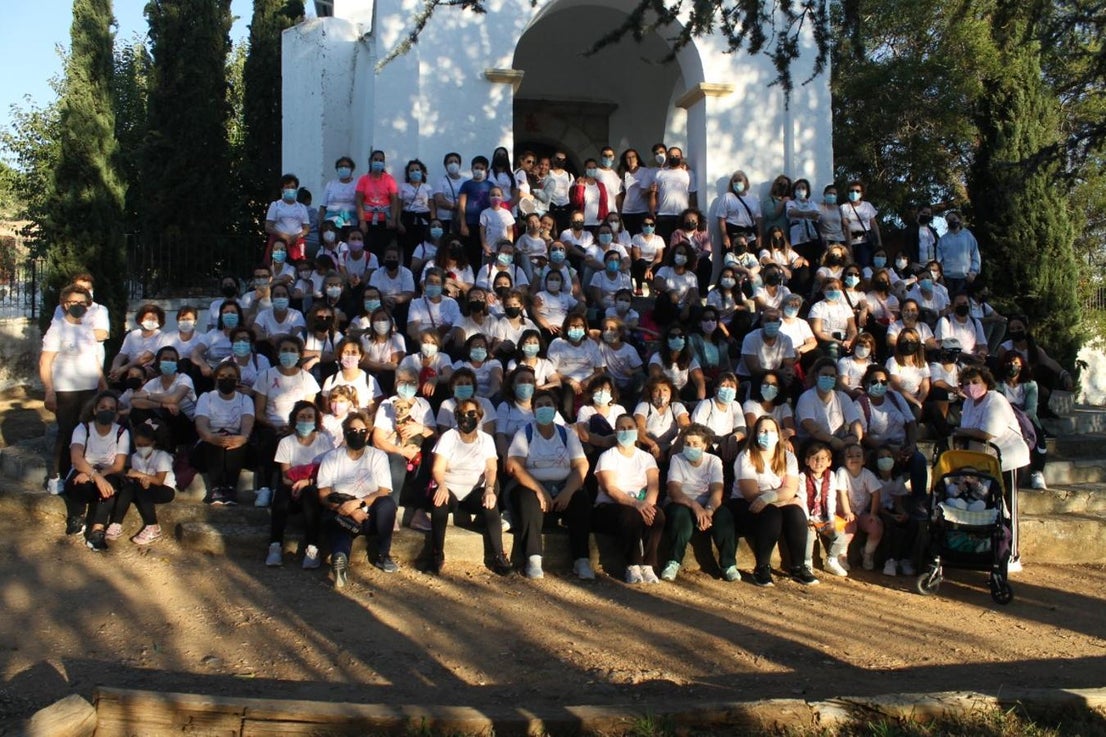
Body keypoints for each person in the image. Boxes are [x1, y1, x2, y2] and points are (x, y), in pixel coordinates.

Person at [505, 390, 593, 579]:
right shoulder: (525, 433)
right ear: (534, 410)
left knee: (581, 499)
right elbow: (514, 466)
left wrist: (569, 491)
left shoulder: (567, 434)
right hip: (533, 486)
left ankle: (581, 560)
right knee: (528, 498)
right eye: (539, 405)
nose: (544, 408)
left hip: (562, 487)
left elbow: (581, 465)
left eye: (548, 405)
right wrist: (539, 489)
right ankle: (534, 558)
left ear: (555, 409)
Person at [425, 398, 512, 575]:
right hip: (450, 488)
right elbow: (438, 468)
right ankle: (436, 553)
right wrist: (441, 485)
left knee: (490, 502)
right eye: (461, 414)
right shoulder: (448, 437)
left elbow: (491, 468)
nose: (466, 417)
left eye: (471, 414)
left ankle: (498, 556)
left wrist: (489, 489)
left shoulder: (486, 439)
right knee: (439, 501)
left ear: (479, 417)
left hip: (474, 490)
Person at [956, 366, 1032, 568]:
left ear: (986, 382)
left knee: (1008, 507)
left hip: (1010, 459)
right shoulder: (968, 403)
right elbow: (969, 434)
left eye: (975, 382)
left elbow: (987, 433)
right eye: (967, 383)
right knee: (992, 508)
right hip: (986, 462)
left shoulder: (995, 400)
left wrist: (961, 430)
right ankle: (995, 551)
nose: (971, 387)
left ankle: (1013, 555)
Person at [729, 416, 815, 586]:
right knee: (772, 513)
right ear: (755, 434)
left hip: (774, 502)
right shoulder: (746, 456)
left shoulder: (788, 457)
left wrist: (772, 497)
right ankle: (762, 567)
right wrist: (782, 499)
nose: (767, 434)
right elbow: (750, 493)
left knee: (796, 513)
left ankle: (798, 567)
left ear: (778, 434)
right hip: (744, 505)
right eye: (762, 431)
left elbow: (791, 488)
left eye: (771, 431)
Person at [318, 412, 399, 588]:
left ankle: (382, 555)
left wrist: (359, 503)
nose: (358, 434)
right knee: (339, 527)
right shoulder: (332, 457)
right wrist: (348, 509)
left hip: (369, 515)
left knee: (387, 504)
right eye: (353, 430)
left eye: (363, 431)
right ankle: (340, 560)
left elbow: (383, 490)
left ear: (368, 434)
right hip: (342, 512)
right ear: (345, 432)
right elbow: (324, 492)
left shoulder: (378, 456)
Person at [41, 285, 105, 492]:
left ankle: (76, 471)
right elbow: (45, 362)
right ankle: (55, 476)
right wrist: (49, 390)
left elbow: (94, 359)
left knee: (85, 431)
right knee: (67, 432)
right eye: (73, 302)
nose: (78, 306)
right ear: (64, 304)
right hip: (66, 390)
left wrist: (103, 384)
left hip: (90, 388)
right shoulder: (57, 328)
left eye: (83, 303)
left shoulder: (87, 328)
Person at [658, 424, 738, 582]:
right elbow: (674, 490)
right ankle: (673, 561)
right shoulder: (677, 459)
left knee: (724, 516)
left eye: (695, 444)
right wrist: (695, 507)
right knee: (680, 516)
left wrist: (708, 510)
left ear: (705, 445)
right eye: (687, 444)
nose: (691, 447)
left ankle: (728, 564)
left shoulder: (714, 461)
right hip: (682, 502)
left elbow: (717, 490)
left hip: (707, 504)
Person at [594, 414, 666, 584]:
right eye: (622, 428)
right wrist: (636, 504)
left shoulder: (646, 458)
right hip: (610, 506)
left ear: (637, 431)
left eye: (630, 428)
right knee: (630, 515)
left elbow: (653, 485)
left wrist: (647, 505)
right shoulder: (608, 456)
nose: (626, 431)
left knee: (658, 515)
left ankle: (648, 564)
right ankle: (632, 564)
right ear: (615, 431)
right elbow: (610, 488)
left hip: (640, 503)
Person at [252, 336, 321, 507]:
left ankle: (281, 488)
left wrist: (293, 428)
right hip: (271, 426)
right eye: (284, 350)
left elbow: (309, 410)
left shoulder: (307, 379)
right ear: (277, 353)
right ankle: (264, 488)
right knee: (267, 439)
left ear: (299, 354)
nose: (288, 354)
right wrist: (275, 426)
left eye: (292, 350)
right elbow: (259, 412)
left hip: (298, 428)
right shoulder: (266, 376)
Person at [267, 401, 332, 569]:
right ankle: (275, 546)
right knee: (281, 493)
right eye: (302, 416)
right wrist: (297, 485)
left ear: (316, 420)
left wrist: (307, 482)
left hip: (315, 489)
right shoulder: (286, 442)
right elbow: (285, 476)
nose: (305, 420)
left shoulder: (324, 441)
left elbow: (329, 474)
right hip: (291, 489)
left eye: (309, 417)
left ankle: (312, 548)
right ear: (295, 419)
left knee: (311, 492)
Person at [63, 391, 129, 551]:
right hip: (84, 469)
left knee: (109, 488)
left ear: (116, 413)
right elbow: (77, 459)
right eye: (103, 407)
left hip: (107, 471)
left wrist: (98, 477)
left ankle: (97, 531)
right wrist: (92, 474)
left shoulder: (122, 433)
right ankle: (77, 516)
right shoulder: (83, 429)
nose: (107, 411)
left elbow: (118, 465)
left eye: (112, 409)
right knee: (77, 481)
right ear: (94, 410)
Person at [194, 362, 255, 505]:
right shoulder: (206, 397)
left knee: (235, 442)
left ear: (238, 381)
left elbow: (247, 423)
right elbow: (201, 424)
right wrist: (211, 438)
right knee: (213, 441)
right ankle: (216, 488)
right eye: (222, 376)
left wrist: (242, 438)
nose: (226, 379)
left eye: (231, 376)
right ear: (216, 379)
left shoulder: (245, 399)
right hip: (208, 447)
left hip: (236, 448)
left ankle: (230, 489)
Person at [116, 421, 176, 546]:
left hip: (165, 489)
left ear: (153, 443)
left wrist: (140, 475)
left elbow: (159, 481)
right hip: (145, 486)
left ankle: (153, 526)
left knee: (140, 490)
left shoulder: (162, 456)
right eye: (139, 445)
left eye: (146, 445)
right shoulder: (135, 457)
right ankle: (116, 523)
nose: (142, 448)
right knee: (130, 488)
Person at [997, 352, 1048, 490]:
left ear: (1022, 366)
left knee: (1039, 439)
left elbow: (1031, 410)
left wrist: (1019, 417)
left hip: (1026, 419)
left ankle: (1037, 472)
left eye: (1016, 363)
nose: (1012, 366)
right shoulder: (998, 385)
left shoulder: (1031, 385)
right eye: (1009, 363)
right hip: (1005, 420)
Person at [797, 441, 848, 577]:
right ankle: (807, 562)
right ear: (807, 461)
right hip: (809, 517)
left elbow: (831, 497)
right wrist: (808, 520)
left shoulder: (830, 476)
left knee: (840, 533)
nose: (819, 462)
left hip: (824, 516)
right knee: (808, 536)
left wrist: (831, 519)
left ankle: (831, 559)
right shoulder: (802, 477)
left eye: (823, 458)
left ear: (829, 462)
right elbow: (802, 498)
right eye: (815, 458)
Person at [795, 358, 864, 451]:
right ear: (816, 376)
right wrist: (831, 440)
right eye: (824, 375)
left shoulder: (842, 397)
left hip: (839, 442)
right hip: (813, 444)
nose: (828, 378)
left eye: (832, 376)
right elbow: (810, 426)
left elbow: (855, 422)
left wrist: (855, 437)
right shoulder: (806, 398)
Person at [837, 443, 883, 571]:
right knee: (849, 526)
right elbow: (842, 493)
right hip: (843, 512)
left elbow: (876, 494)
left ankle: (868, 553)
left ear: (864, 460)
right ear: (844, 459)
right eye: (850, 456)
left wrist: (873, 514)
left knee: (876, 526)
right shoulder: (842, 472)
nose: (854, 459)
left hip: (861, 513)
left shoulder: (867, 474)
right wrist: (847, 512)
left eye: (858, 455)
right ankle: (842, 555)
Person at [355, 150, 400, 259]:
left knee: (383, 249)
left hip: (385, 221)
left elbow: (394, 201)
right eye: (376, 159)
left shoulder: (389, 179)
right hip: (368, 220)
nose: (378, 162)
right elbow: (359, 201)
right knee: (368, 249)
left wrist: (393, 219)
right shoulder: (363, 180)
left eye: (381, 160)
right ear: (370, 161)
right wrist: (362, 221)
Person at [265, 173, 311, 261]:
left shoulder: (302, 207)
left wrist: (297, 236)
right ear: (282, 190)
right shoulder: (276, 205)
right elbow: (268, 227)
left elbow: (307, 228)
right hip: (278, 243)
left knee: (299, 266)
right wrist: (284, 236)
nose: (290, 189)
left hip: (297, 243)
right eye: (287, 187)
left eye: (293, 187)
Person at [935, 211, 980, 294]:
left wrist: (973, 272)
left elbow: (975, 255)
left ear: (959, 220)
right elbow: (938, 260)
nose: (951, 221)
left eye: (954, 219)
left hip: (965, 278)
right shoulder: (943, 240)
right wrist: (940, 276)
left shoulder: (968, 236)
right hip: (947, 279)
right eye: (949, 220)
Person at [839, 180, 880, 268]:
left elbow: (873, 224)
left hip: (865, 242)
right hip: (850, 242)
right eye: (852, 190)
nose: (854, 193)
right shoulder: (844, 207)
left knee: (865, 266)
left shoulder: (867, 206)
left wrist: (879, 241)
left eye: (857, 191)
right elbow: (845, 227)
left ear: (862, 193)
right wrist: (848, 246)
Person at [717, 170, 761, 251]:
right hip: (733, 235)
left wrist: (759, 236)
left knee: (754, 260)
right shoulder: (727, 197)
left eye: (740, 180)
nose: (737, 183)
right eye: (735, 181)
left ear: (746, 182)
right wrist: (724, 235)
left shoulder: (753, 199)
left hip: (750, 235)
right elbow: (721, 219)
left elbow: (758, 218)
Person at [320, 155, 358, 233]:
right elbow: (323, 207)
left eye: (346, 166)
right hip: (331, 224)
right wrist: (320, 224)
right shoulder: (330, 184)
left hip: (351, 223)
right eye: (340, 166)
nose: (343, 168)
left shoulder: (357, 185)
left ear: (352, 169)